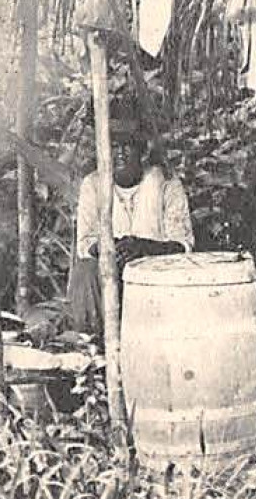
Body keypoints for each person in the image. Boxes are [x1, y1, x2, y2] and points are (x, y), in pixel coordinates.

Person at [63, 106, 193, 334]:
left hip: (156, 281)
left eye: (127, 145)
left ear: (141, 151)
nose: (120, 153)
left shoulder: (167, 185)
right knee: (85, 271)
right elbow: (85, 244)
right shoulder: (93, 185)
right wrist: (110, 247)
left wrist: (143, 247)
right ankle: (93, 343)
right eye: (113, 146)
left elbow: (183, 246)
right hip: (109, 278)